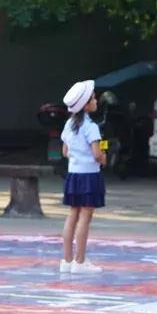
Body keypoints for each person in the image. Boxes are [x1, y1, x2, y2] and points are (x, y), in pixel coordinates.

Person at [59, 80, 106, 274]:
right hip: (90, 176)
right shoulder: (91, 127)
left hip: (73, 174)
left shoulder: (69, 124)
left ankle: (67, 260)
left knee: (72, 215)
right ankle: (80, 262)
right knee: (85, 218)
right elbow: (97, 154)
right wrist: (103, 158)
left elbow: (65, 151)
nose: (96, 100)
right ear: (86, 104)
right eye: (93, 98)